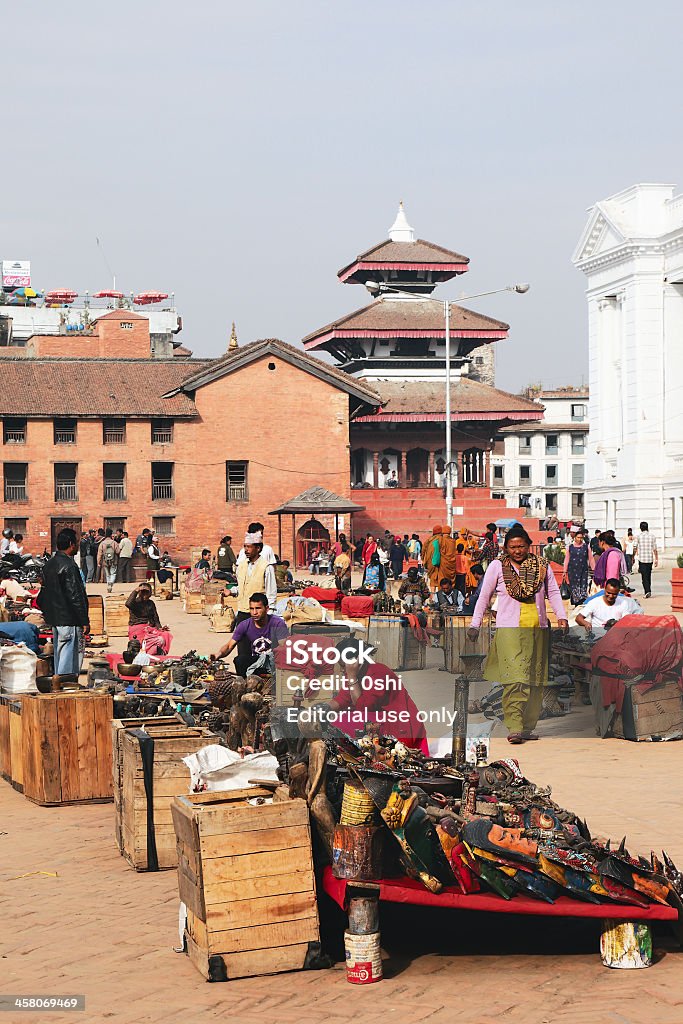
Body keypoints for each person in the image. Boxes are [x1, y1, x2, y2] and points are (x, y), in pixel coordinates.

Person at [468, 524, 568, 745]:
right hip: (510, 632)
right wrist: (475, 624)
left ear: (528, 546)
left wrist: (562, 616)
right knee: (515, 679)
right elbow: (483, 597)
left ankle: (527, 727)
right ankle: (514, 726)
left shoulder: (542, 566)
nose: (517, 551)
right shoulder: (497, 566)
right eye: (512, 547)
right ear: (506, 548)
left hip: (538, 630)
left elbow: (553, 592)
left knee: (535, 680)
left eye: (521, 546)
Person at [326, 639, 429, 754]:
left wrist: (352, 677)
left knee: (343, 721)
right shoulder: (354, 673)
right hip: (381, 718)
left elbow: (364, 707)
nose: (342, 669)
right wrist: (322, 708)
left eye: (343, 665)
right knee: (334, 719)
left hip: (401, 726)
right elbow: (343, 698)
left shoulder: (378, 673)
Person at [37, 528, 90, 675]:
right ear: (71, 544)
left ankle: (59, 685)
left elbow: (43, 595)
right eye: (77, 543)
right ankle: (65, 689)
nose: (78, 546)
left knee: (60, 656)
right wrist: (84, 620)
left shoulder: (49, 564)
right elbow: (75, 596)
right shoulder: (69, 566)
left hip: (56, 620)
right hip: (69, 620)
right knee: (68, 661)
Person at [217, 592, 288, 677]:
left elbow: (284, 648)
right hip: (257, 662)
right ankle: (245, 685)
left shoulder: (278, 623)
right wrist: (218, 654)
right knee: (239, 660)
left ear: (267, 608)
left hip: (273, 661)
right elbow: (229, 646)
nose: (254, 612)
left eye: (258, 608)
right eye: (252, 609)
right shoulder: (244, 625)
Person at [233, 533, 277, 669]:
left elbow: (271, 592)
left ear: (258, 548)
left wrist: (270, 615)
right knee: (243, 650)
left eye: (249, 547)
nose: (246, 550)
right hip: (242, 612)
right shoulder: (241, 566)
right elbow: (241, 587)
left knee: (260, 649)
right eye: (244, 547)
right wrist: (232, 591)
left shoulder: (266, 567)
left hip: (259, 614)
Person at [125, 582, 172, 655]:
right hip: (137, 630)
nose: (145, 594)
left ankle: (151, 654)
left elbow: (155, 618)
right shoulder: (135, 603)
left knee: (165, 635)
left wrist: (160, 628)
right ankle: (146, 655)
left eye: (147, 592)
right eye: (143, 592)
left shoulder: (150, 603)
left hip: (149, 629)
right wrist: (136, 590)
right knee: (160, 640)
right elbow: (128, 603)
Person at [562, 527, 594, 606]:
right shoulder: (570, 547)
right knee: (574, 586)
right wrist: (564, 571)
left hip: (583, 570)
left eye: (581, 538)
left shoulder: (586, 547)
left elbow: (591, 558)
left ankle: (582, 601)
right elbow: (567, 559)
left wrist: (594, 569)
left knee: (583, 585)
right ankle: (576, 602)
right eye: (578, 537)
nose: (580, 539)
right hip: (572, 571)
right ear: (575, 538)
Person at [634, 521, 658, 599]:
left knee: (644, 577)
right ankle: (648, 590)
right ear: (647, 527)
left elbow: (635, 547)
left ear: (641, 528)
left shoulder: (638, 536)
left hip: (642, 559)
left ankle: (647, 591)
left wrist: (633, 557)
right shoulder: (652, 536)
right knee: (648, 575)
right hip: (649, 559)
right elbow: (655, 549)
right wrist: (656, 559)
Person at [98, 528, 120, 593]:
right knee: (113, 573)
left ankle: (108, 584)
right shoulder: (114, 542)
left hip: (105, 561)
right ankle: (111, 583)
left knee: (107, 574)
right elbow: (118, 551)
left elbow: (99, 553)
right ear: (111, 535)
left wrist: (98, 561)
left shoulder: (102, 543)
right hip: (114, 560)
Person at [423, 525, 443, 591]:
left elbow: (423, 551)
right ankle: (440, 596)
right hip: (441, 563)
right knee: (441, 579)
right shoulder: (442, 539)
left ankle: (432, 595)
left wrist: (424, 561)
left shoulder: (429, 540)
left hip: (430, 563)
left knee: (432, 579)